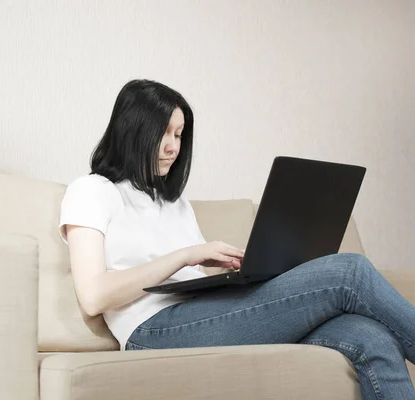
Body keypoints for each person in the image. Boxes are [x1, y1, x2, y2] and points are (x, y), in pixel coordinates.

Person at [58, 79, 415, 399]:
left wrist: (230, 271)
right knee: (349, 271)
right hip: (151, 330)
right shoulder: (91, 191)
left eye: (179, 135)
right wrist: (186, 255)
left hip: (196, 314)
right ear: (132, 132)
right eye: (163, 133)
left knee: (371, 335)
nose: (173, 147)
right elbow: (94, 296)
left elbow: (190, 283)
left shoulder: (174, 203)